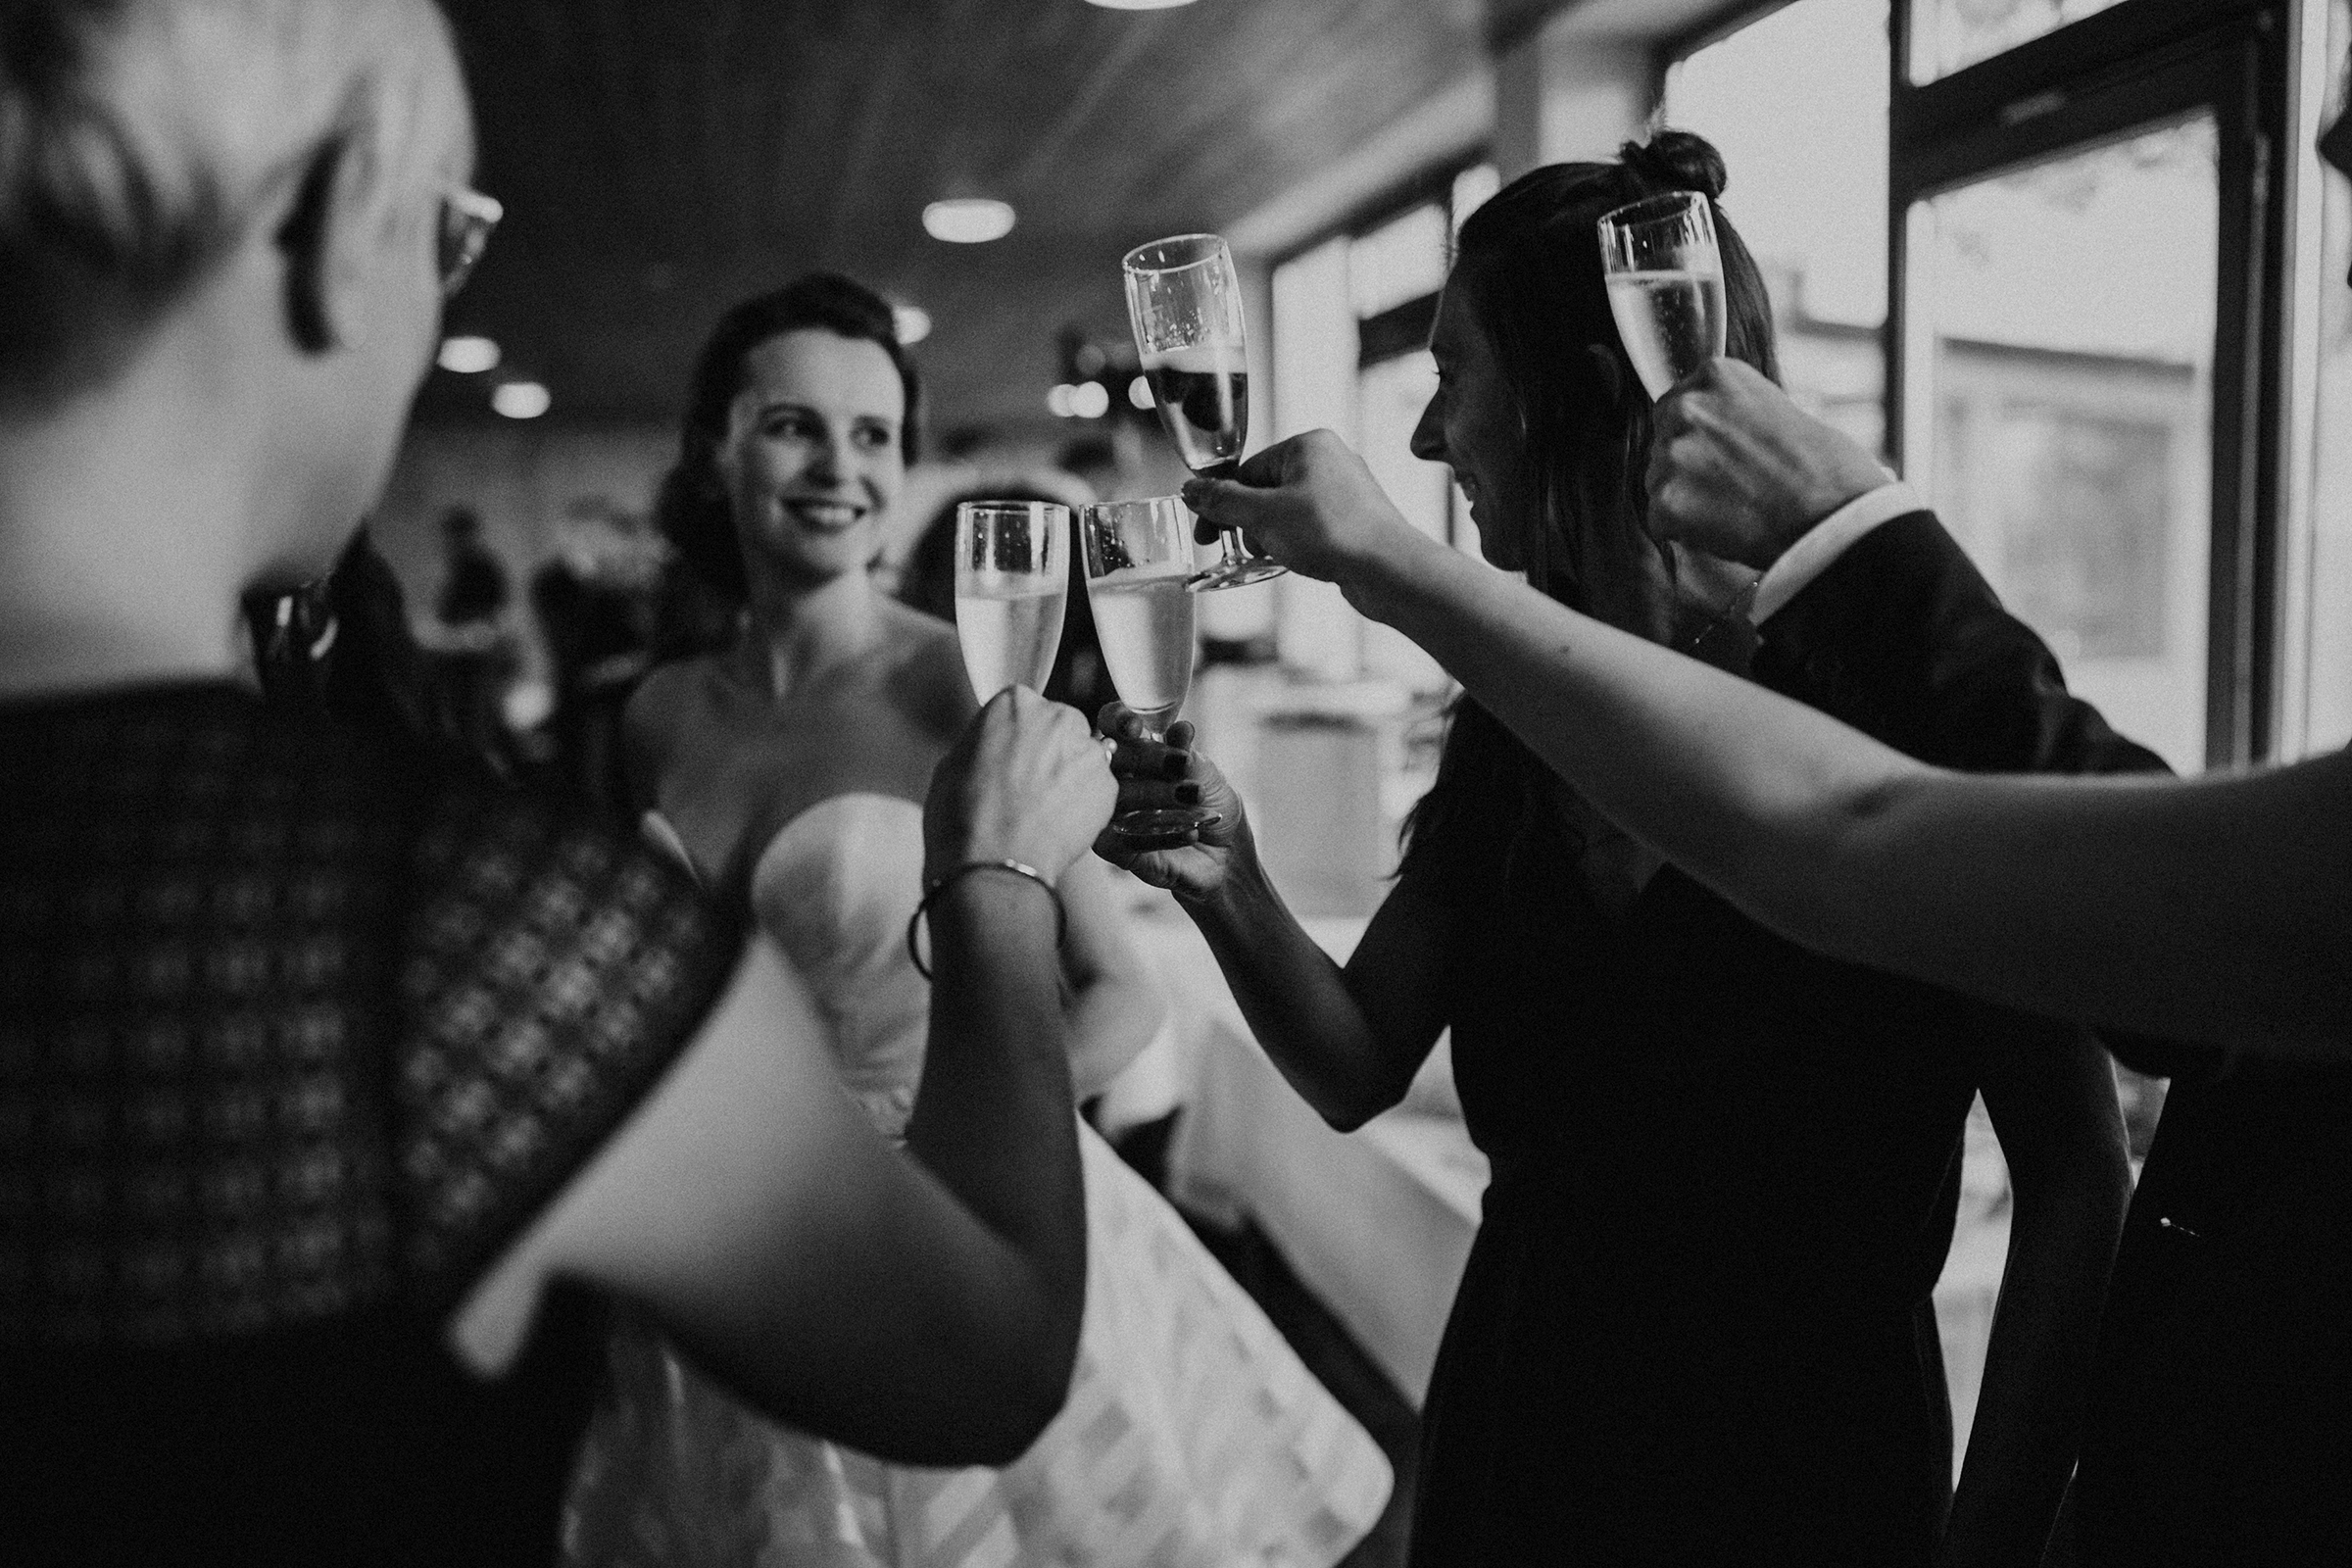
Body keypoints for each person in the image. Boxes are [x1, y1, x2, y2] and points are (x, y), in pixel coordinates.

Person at [0, 4, 1107, 1563]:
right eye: (450, 239)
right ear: (341, 227)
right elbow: (985, 1360)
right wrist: (992, 882)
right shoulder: (446, 915)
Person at [1179, 110, 2352, 1568]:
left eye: (1450, 377)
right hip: (1523, 1450)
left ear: (1572, 389)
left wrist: (1987, 1544)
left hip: (1811, 1480)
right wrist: (1227, 873)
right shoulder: (1515, 726)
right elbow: (1363, 1061)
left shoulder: (1891, 709)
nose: (1423, 436)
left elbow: (2067, 1161)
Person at [564, 275, 1391, 1568]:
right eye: (793, 426)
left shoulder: (965, 676)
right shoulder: (656, 714)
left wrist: (941, 1137)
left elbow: (1120, 992)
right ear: (715, 450)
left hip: (953, 1227)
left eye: (873, 433)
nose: (839, 466)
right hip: (739, 1239)